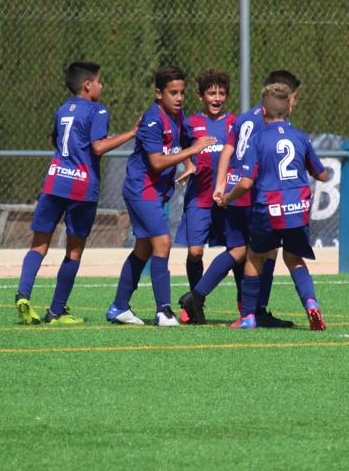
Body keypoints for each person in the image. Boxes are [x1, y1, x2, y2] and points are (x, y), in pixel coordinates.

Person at [16, 61, 137, 325]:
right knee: (74, 250)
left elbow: (55, 140)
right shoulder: (98, 110)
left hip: (54, 181)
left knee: (39, 244)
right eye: (99, 81)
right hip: (81, 187)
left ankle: (23, 293)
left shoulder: (62, 109)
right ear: (87, 84)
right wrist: (132, 132)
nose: (101, 86)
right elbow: (98, 147)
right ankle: (57, 311)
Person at [179, 71, 301, 328]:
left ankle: (199, 297)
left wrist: (222, 183)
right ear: (280, 95)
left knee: (240, 250)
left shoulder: (244, 117)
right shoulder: (269, 121)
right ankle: (256, 311)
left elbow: (228, 150)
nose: (295, 104)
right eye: (294, 98)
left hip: (234, 190)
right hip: (250, 193)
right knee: (264, 250)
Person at [106, 66, 217, 326]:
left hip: (155, 192)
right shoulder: (153, 120)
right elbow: (156, 162)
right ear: (159, 93)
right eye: (172, 93)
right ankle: (163, 311)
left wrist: (190, 162)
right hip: (141, 190)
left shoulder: (178, 117)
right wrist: (194, 149)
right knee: (163, 244)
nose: (179, 98)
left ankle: (119, 307)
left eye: (182, 92)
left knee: (143, 248)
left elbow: (181, 145)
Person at [220, 82, 329, 330]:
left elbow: (246, 182)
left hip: (269, 207)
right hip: (297, 208)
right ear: (289, 111)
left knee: (254, 257)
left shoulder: (258, 140)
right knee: (294, 259)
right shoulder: (300, 136)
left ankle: (247, 316)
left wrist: (228, 198)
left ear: (264, 112)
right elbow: (321, 175)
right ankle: (311, 303)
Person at [174, 69, 238, 323]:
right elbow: (182, 147)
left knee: (237, 251)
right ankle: (196, 301)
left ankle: (245, 306)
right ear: (200, 96)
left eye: (221, 93)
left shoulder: (234, 122)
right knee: (195, 253)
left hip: (227, 199)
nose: (217, 97)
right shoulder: (190, 123)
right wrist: (189, 163)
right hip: (198, 198)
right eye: (211, 93)